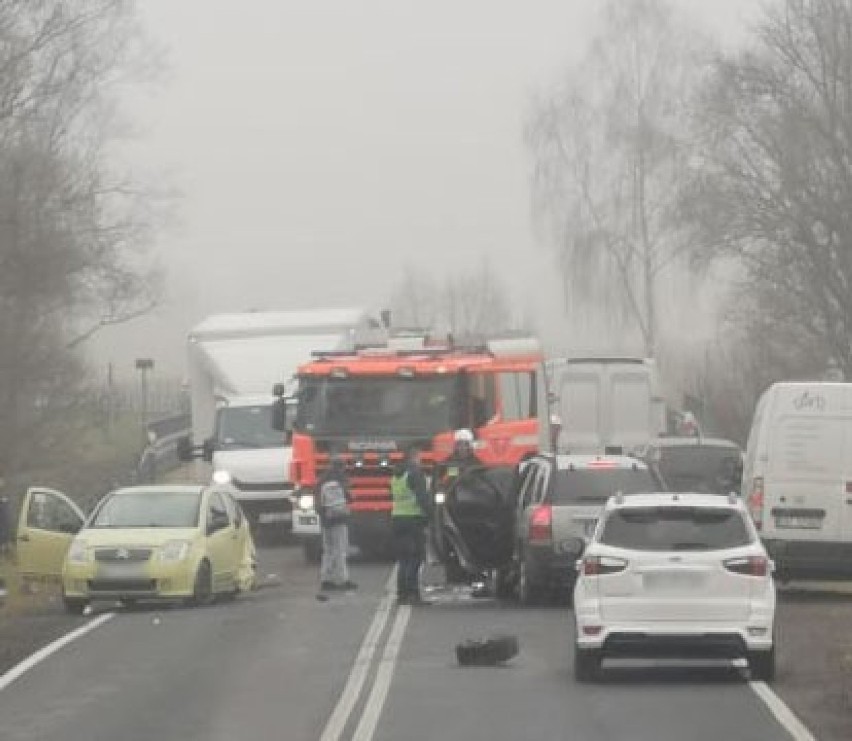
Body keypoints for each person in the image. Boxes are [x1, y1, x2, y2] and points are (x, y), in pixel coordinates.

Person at [391, 446, 432, 605]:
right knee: (416, 558)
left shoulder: (396, 475)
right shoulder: (415, 473)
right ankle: (413, 593)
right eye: (419, 458)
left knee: (403, 559)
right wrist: (430, 516)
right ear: (414, 458)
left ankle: (402, 594)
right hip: (413, 519)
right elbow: (422, 498)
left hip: (397, 518)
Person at [316, 455, 357, 592]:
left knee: (328, 550)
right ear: (341, 466)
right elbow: (349, 497)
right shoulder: (341, 480)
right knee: (340, 550)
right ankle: (342, 579)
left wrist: (323, 515)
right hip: (339, 520)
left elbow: (318, 501)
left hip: (326, 520)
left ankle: (326, 579)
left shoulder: (321, 480)